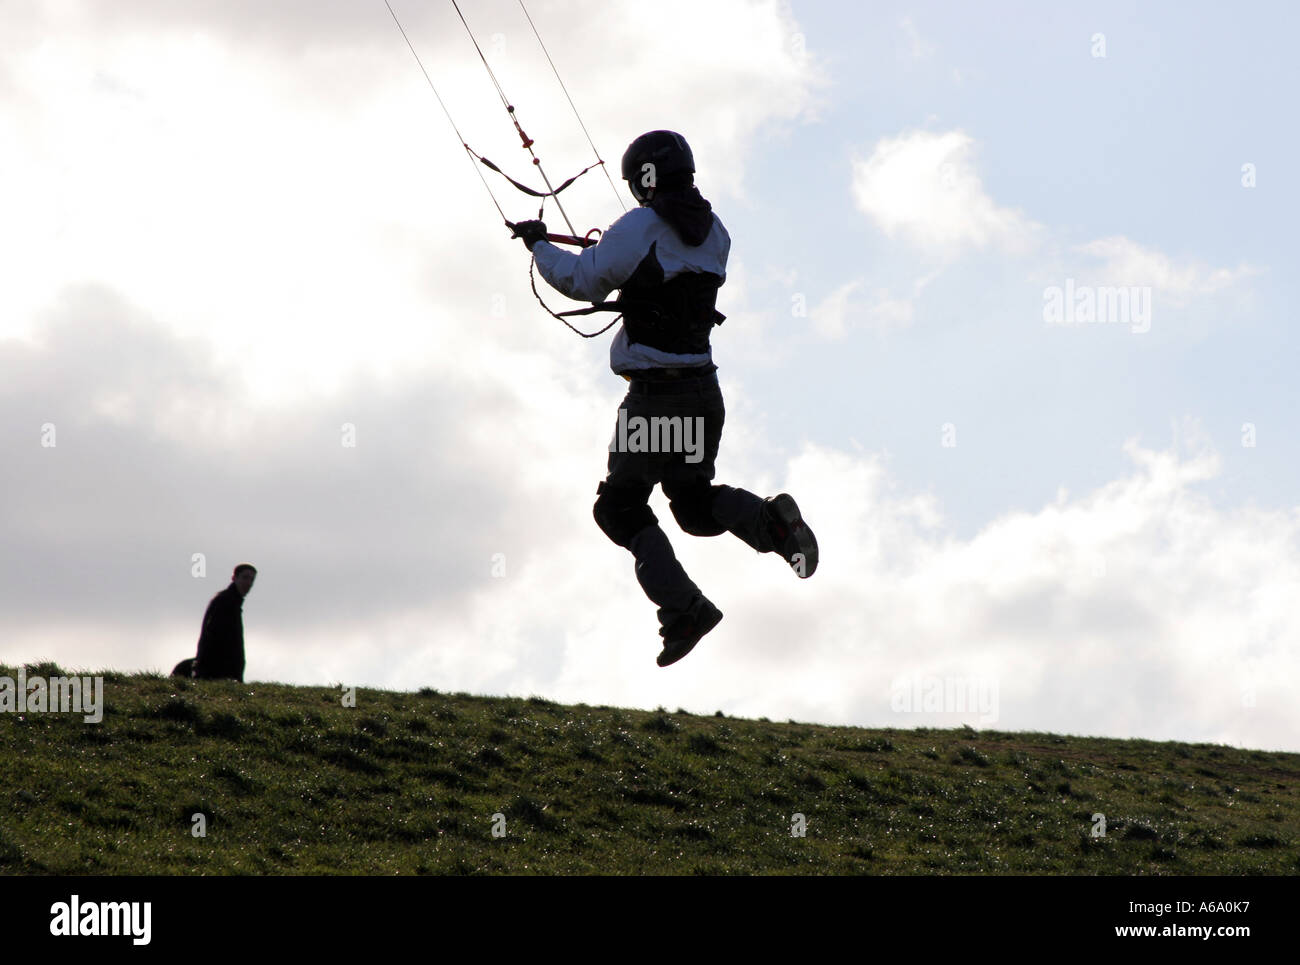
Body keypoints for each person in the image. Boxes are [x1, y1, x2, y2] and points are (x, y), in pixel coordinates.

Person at [511, 130, 818, 668]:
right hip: (703, 392)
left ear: (642, 179)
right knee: (695, 508)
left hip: (655, 402)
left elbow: (583, 283)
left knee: (619, 508)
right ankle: (771, 523)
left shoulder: (641, 225)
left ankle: (685, 611)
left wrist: (539, 244)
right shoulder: (718, 232)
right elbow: (664, 270)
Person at [193, 563, 256, 681]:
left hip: (219, 671)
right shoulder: (225, 601)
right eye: (245, 577)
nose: (249, 583)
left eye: (252, 579)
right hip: (217, 671)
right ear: (234, 578)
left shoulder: (231, 602)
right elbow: (216, 636)